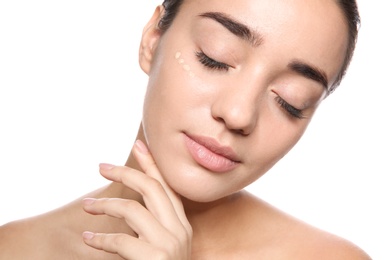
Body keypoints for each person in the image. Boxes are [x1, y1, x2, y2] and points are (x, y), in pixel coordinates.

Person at [0, 0, 372, 259]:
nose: (239, 114)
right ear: (152, 39)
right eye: (216, 57)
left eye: (290, 100)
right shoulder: (13, 249)